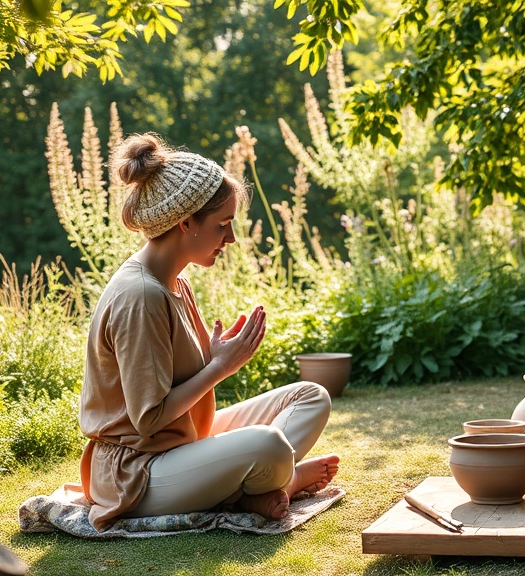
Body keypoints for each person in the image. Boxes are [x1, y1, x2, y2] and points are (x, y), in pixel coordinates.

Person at [78, 133, 340, 531]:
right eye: (223, 225)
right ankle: (277, 481)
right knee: (269, 443)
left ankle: (265, 482)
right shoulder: (142, 295)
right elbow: (147, 420)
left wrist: (211, 353)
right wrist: (220, 367)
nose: (231, 239)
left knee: (310, 396)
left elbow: (176, 381)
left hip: (181, 445)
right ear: (186, 223)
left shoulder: (173, 281)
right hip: (138, 473)